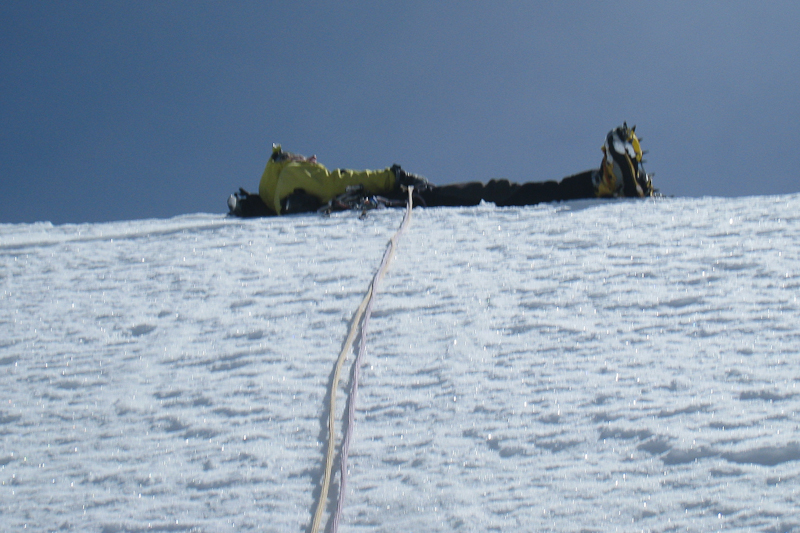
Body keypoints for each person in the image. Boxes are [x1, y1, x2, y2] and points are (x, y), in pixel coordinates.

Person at [227, 123, 654, 218]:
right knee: (497, 192)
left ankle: (604, 181)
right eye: (307, 157)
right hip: (399, 201)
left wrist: (246, 206)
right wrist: (395, 177)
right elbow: (338, 181)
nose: (313, 158)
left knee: (497, 190)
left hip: (389, 204)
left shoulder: (275, 190)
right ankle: (603, 183)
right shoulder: (292, 173)